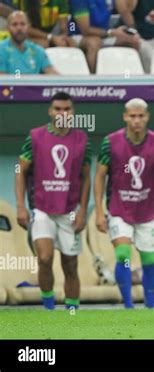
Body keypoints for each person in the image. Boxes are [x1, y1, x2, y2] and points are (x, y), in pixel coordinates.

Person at [94, 98, 154, 309]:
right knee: (123, 255)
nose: (137, 120)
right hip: (119, 209)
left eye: (141, 116)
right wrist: (98, 211)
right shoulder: (110, 142)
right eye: (132, 116)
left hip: (147, 212)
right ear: (125, 117)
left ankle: (150, 307)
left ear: (147, 117)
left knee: (149, 260)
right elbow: (99, 177)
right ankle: (128, 306)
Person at [15, 92, 92, 310]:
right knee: (45, 258)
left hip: (69, 210)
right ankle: (48, 307)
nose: (62, 113)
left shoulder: (82, 139)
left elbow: (86, 177)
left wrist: (83, 211)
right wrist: (21, 206)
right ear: (50, 111)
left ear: (72, 112)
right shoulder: (36, 136)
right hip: (42, 209)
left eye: (67, 109)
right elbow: (20, 171)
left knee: (70, 263)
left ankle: (72, 312)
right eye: (57, 109)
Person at [68, 0, 141, 73]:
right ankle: (93, 80)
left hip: (104, 35)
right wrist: (112, 32)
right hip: (78, 36)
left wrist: (132, 30)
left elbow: (125, 10)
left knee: (133, 40)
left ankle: (130, 77)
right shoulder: (79, 1)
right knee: (94, 42)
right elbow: (85, 30)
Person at [115, 0, 154, 73]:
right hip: (133, 34)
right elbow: (124, 10)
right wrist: (133, 30)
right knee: (149, 53)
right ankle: (150, 82)